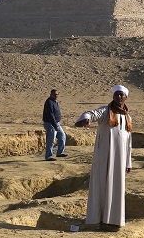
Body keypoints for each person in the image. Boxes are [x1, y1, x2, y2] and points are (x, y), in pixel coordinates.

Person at [75, 85, 134, 230]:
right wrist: (86, 119)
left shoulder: (127, 117)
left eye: (122, 95)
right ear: (113, 96)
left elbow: (129, 143)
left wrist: (128, 162)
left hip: (119, 161)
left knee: (116, 188)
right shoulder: (105, 111)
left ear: (126, 98)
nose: (119, 97)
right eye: (117, 95)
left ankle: (113, 222)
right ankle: (96, 220)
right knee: (99, 186)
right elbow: (91, 113)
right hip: (103, 157)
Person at [42, 89, 67, 160]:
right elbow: (50, 115)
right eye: (55, 94)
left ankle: (60, 152)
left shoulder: (55, 102)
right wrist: (55, 125)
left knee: (62, 136)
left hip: (57, 123)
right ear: (51, 94)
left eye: (57, 94)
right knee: (51, 140)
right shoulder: (49, 102)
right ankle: (48, 156)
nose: (56, 96)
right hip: (50, 123)